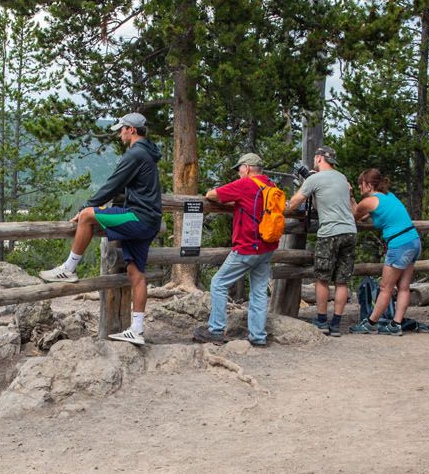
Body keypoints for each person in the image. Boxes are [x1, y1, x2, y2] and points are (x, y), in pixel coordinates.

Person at [40, 113, 162, 345]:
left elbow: (112, 184)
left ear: (132, 130)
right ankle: (136, 329)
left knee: (87, 217)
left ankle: (68, 269)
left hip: (137, 217)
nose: (119, 134)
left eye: (122, 130)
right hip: (151, 221)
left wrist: (88, 206)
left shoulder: (135, 154)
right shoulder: (149, 152)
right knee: (136, 274)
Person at [192, 153, 278, 347]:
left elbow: (212, 195)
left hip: (247, 247)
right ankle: (258, 336)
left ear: (247, 168)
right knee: (258, 292)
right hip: (266, 247)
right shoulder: (271, 185)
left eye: (239, 169)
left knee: (218, 283)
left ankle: (215, 330)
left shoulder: (246, 184)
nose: (239, 173)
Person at [284, 146, 356, 336]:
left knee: (322, 278)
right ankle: (336, 325)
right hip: (350, 231)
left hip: (330, 232)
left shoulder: (314, 179)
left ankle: (322, 320)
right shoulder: (342, 178)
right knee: (342, 281)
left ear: (318, 158)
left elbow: (294, 203)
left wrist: (305, 185)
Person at [349, 168, 421, 335]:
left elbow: (355, 215)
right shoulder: (389, 196)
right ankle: (396, 324)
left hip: (399, 245)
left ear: (368, 185)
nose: (360, 188)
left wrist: (350, 196)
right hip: (413, 240)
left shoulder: (370, 201)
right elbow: (366, 214)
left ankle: (371, 323)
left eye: (361, 185)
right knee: (403, 287)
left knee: (385, 287)